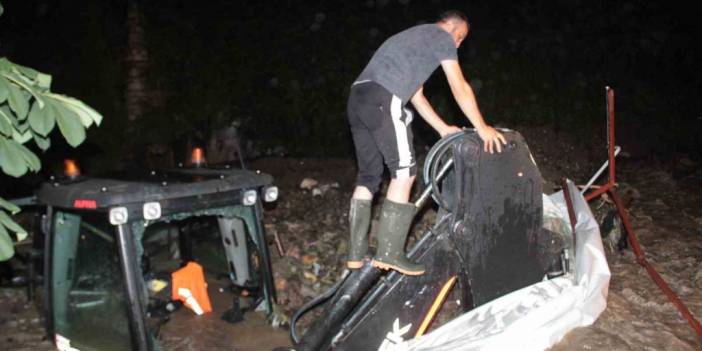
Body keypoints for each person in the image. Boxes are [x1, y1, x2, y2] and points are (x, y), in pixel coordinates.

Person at [346, 10, 506, 275]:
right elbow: (460, 86)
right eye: (460, 38)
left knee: (368, 177)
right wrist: (483, 127)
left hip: (358, 97)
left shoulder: (413, 39)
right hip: (383, 98)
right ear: (454, 30)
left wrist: (443, 128)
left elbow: (417, 96)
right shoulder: (441, 37)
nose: (457, 45)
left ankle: (355, 254)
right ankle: (390, 253)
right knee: (405, 172)